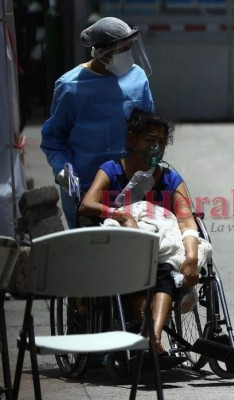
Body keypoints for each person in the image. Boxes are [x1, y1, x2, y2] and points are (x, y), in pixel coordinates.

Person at [79, 109, 202, 355]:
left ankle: (152, 335)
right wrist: (122, 215)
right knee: (137, 269)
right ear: (132, 140)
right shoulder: (112, 171)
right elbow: (87, 204)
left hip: (157, 250)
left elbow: (187, 222)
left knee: (162, 272)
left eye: (161, 142)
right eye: (150, 140)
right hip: (121, 249)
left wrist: (191, 257)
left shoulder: (170, 178)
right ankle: (149, 333)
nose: (156, 147)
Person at [41, 16, 155, 229]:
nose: (129, 54)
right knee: (90, 254)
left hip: (129, 186)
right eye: (124, 49)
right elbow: (53, 139)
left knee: (133, 252)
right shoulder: (70, 86)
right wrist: (63, 170)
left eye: (131, 47)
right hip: (85, 190)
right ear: (103, 52)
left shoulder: (137, 78)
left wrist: (151, 166)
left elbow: (151, 131)